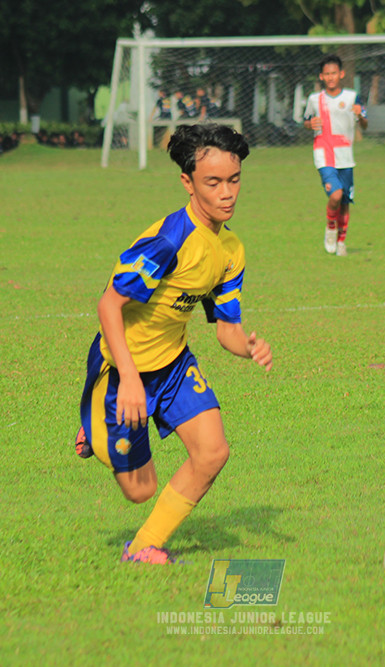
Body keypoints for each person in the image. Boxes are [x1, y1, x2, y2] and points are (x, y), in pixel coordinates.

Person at [74, 123, 272, 564]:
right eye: (213, 182)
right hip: (122, 369)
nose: (227, 193)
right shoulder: (168, 241)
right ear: (188, 182)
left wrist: (248, 347)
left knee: (213, 453)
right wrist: (129, 378)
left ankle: (144, 547)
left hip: (174, 365)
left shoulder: (231, 250)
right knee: (140, 490)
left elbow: (226, 328)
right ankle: (96, 428)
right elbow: (109, 305)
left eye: (234, 180)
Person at [303, 54, 368, 257]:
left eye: (334, 73)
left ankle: (341, 241)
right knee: (336, 195)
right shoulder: (314, 99)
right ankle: (331, 228)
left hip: (345, 156)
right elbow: (306, 120)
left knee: (345, 201)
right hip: (324, 153)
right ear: (321, 76)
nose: (330, 77)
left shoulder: (352, 97)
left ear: (341, 74)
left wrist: (360, 114)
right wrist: (309, 124)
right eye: (327, 74)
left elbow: (365, 123)